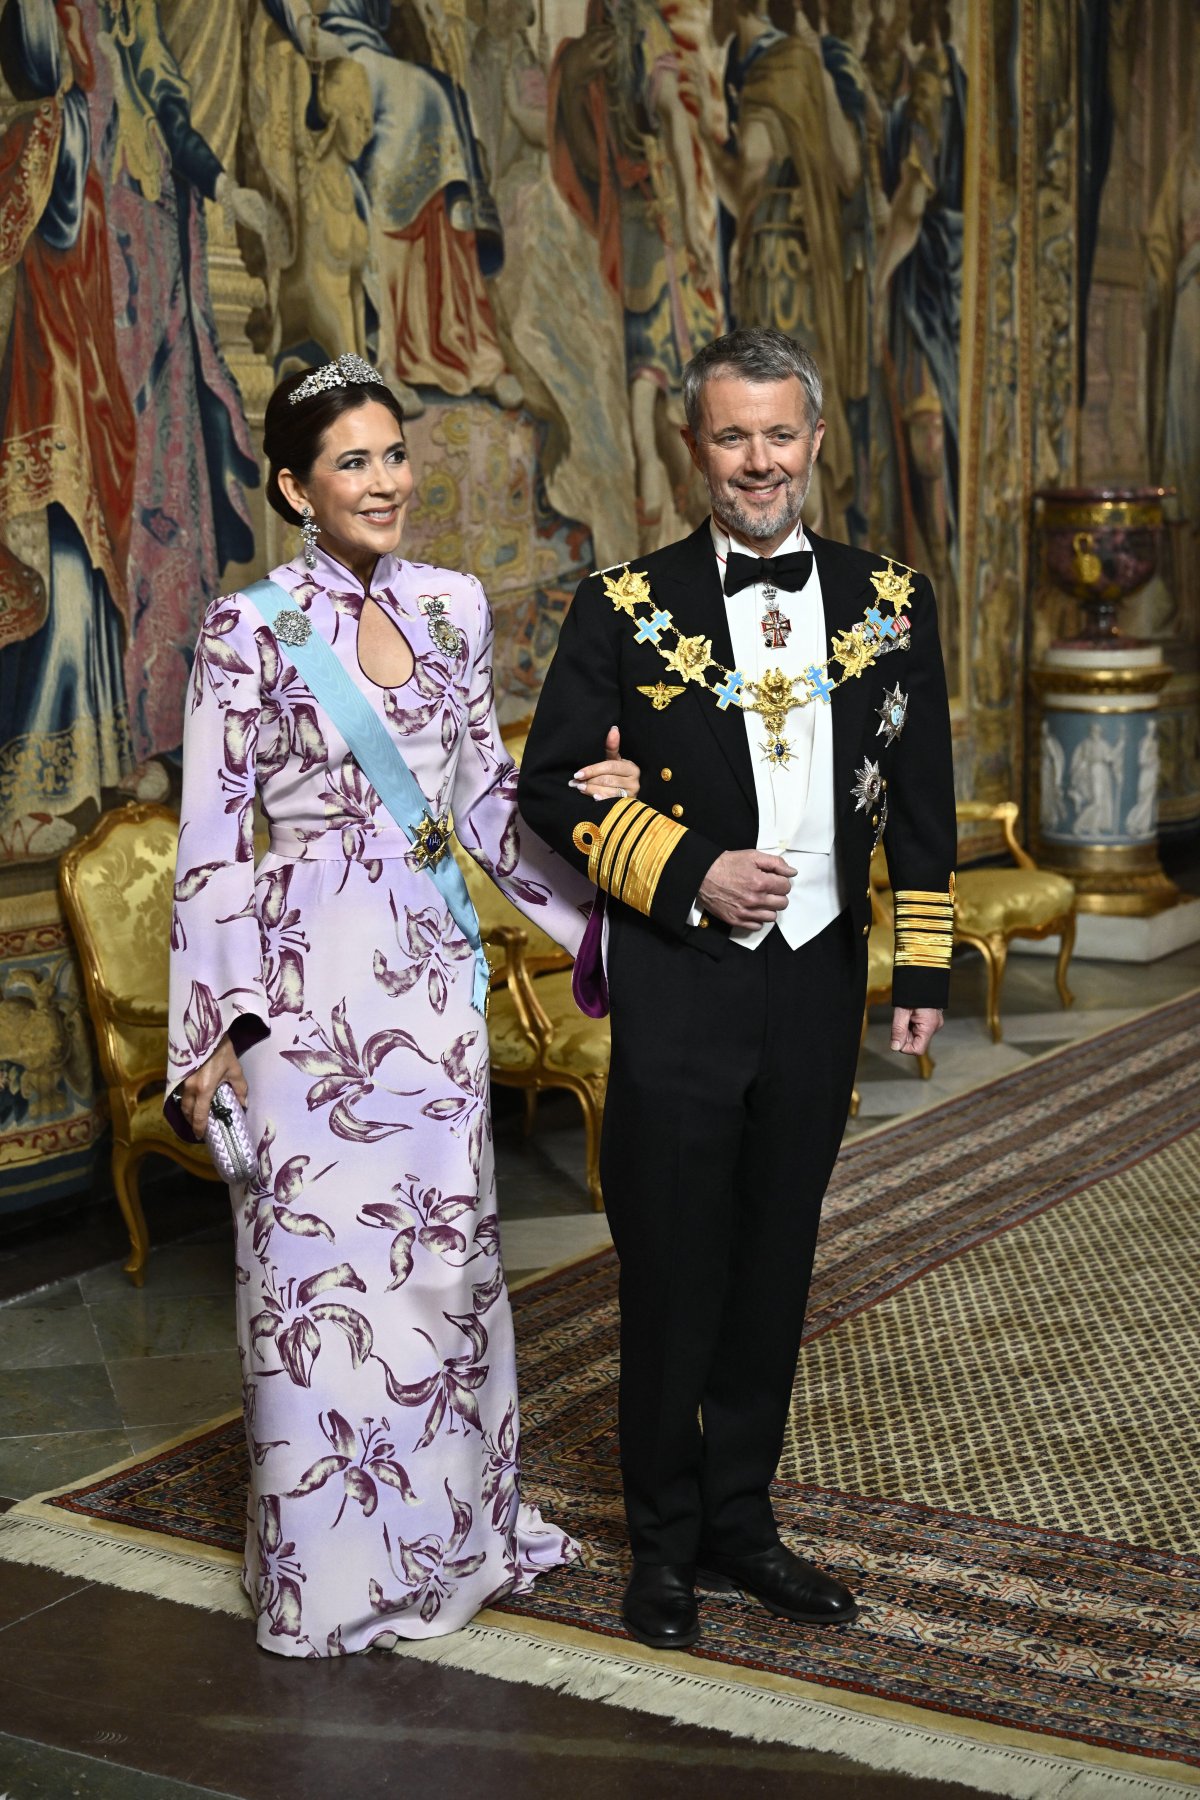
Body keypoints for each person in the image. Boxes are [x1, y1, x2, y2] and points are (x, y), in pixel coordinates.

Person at [164, 355, 640, 1657]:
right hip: (303, 1000)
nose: (384, 482)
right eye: (352, 463)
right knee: (314, 1286)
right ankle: (328, 1574)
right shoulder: (246, 627)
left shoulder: (452, 606)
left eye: (394, 455)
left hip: (428, 992)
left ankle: (449, 1542)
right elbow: (211, 843)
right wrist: (215, 1031)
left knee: (436, 1275)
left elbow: (482, 800)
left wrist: (600, 921)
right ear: (292, 488)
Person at [518, 327, 955, 1650]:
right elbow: (542, 790)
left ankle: (741, 1523)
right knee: (670, 1268)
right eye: (731, 436)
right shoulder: (625, 604)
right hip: (683, 986)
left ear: (816, 442)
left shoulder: (892, 601)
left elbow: (922, 794)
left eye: (779, 434)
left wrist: (917, 962)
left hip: (817, 986)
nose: (756, 459)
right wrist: (690, 869)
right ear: (693, 447)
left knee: (775, 1261)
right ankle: (660, 1545)